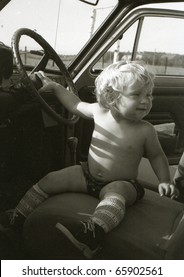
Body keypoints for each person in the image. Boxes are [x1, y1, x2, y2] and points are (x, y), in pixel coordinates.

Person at [0, 61, 179, 259]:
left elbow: (156, 155)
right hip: (88, 175)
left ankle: (92, 233)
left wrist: (164, 180)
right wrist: (57, 87)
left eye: (148, 95)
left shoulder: (145, 129)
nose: (146, 101)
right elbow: (75, 104)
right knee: (51, 179)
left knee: (116, 195)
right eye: (137, 95)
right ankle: (17, 216)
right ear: (111, 96)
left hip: (123, 182)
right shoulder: (99, 112)